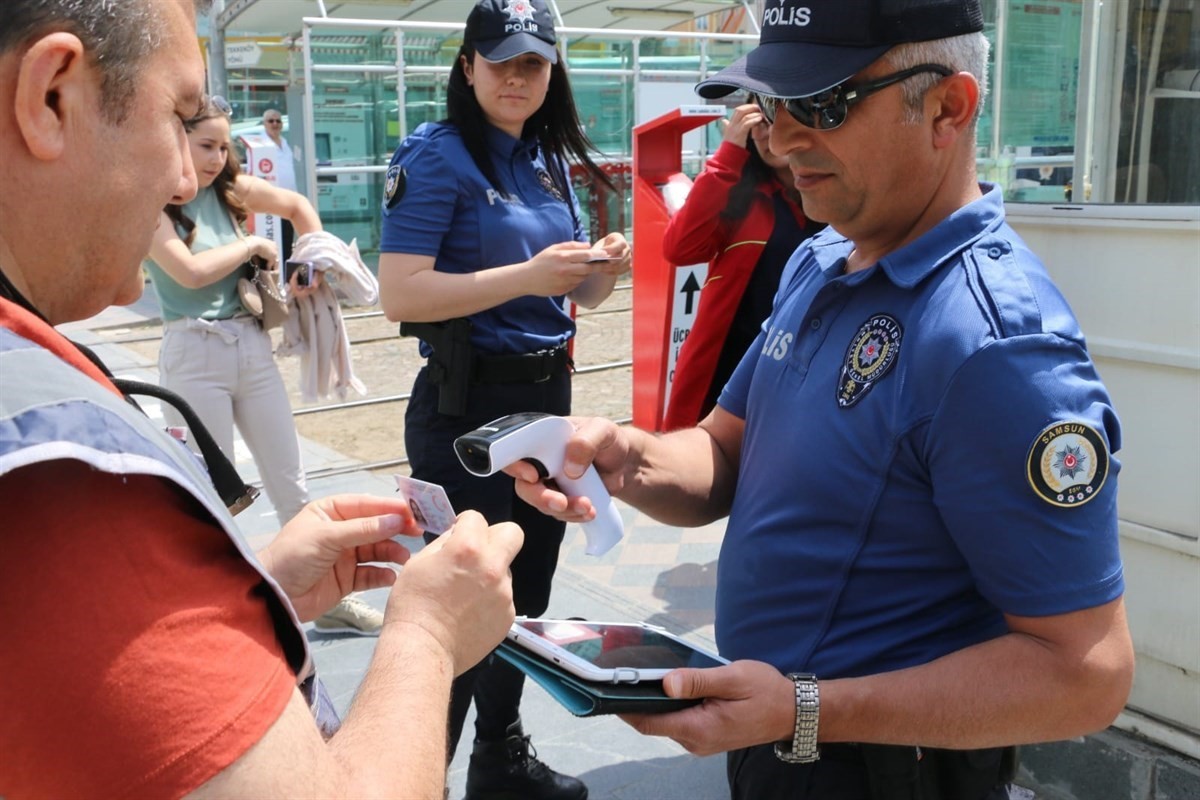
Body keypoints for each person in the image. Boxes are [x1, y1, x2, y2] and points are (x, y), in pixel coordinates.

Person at [510, 1, 1135, 798]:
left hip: (885, 767)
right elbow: (727, 451)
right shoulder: (825, 256)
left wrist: (807, 712)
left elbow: (1086, 674)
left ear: (949, 107)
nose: (783, 137)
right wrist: (625, 457)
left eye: (824, 104)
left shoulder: (999, 348)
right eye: (771, 107)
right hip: (777, 734)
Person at [0, 2, 523, 797]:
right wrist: (430, 634)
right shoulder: (74, 486)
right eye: (179, 118)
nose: (186, 174)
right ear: (51, 97)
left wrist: (248, 593)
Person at [377, 0, 630, 797]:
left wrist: (601, 267)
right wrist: (527, 276)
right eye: (501, 61)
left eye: (533, 63)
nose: (517, 77)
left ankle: (499, 758)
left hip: (544, 400)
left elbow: (577, 297)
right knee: (459, 601)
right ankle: (414, 781)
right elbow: (399, 294)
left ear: (552, 71)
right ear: (467, 68)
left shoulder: (548, 160)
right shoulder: (440, 155)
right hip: (466, 411)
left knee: (527, 597)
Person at [144, 97, 380, 635]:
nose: (216, 157)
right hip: (191, 351)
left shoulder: (230, 189)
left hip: (249, 344)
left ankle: (325, 598)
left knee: (289, 478)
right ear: (175, 140)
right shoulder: (154, 199)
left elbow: (298, 206)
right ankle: (223, 613)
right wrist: (252, 241)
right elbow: (190, 272)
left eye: (224, 146)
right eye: (206, 145)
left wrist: (308, 260)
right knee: (210, 493)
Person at [662, 102, 824, 429]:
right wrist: (727, 155)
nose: (768, 134)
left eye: (777, 120)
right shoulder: (744, 197)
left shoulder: (838, 201)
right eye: (757, 125)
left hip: (809, 372)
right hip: (730, 374)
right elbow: (680, 248)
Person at [259, 106, 298, 261]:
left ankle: (285, 282)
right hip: (272, 202)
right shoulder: (260, 144)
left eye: (278, 121)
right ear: (264, 123)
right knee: (274, 244)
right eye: (271, 121)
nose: (275, 124)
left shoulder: (285, 142)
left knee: (287, 242)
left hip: (288, 200)